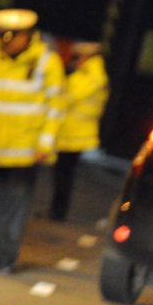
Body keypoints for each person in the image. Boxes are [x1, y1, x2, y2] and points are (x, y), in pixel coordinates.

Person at [0, 8, 66, 268]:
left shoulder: (47, 63)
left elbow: (56, 107)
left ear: (28, 36)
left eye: (13, 37)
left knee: (15, 205)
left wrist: (45, 144)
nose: (8, 42)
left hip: (25, 149)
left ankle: (5, 255)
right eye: (3, 36)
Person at [49, 41, 108, 221]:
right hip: (75, 133)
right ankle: (57, 210)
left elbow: (66, 96)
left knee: (64, 175)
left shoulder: (89, 76)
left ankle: (58, 212)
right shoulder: (91, 75)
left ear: (86, 56)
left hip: (74, 134)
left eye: (77, 57)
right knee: (64, 174)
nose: (76, 60)